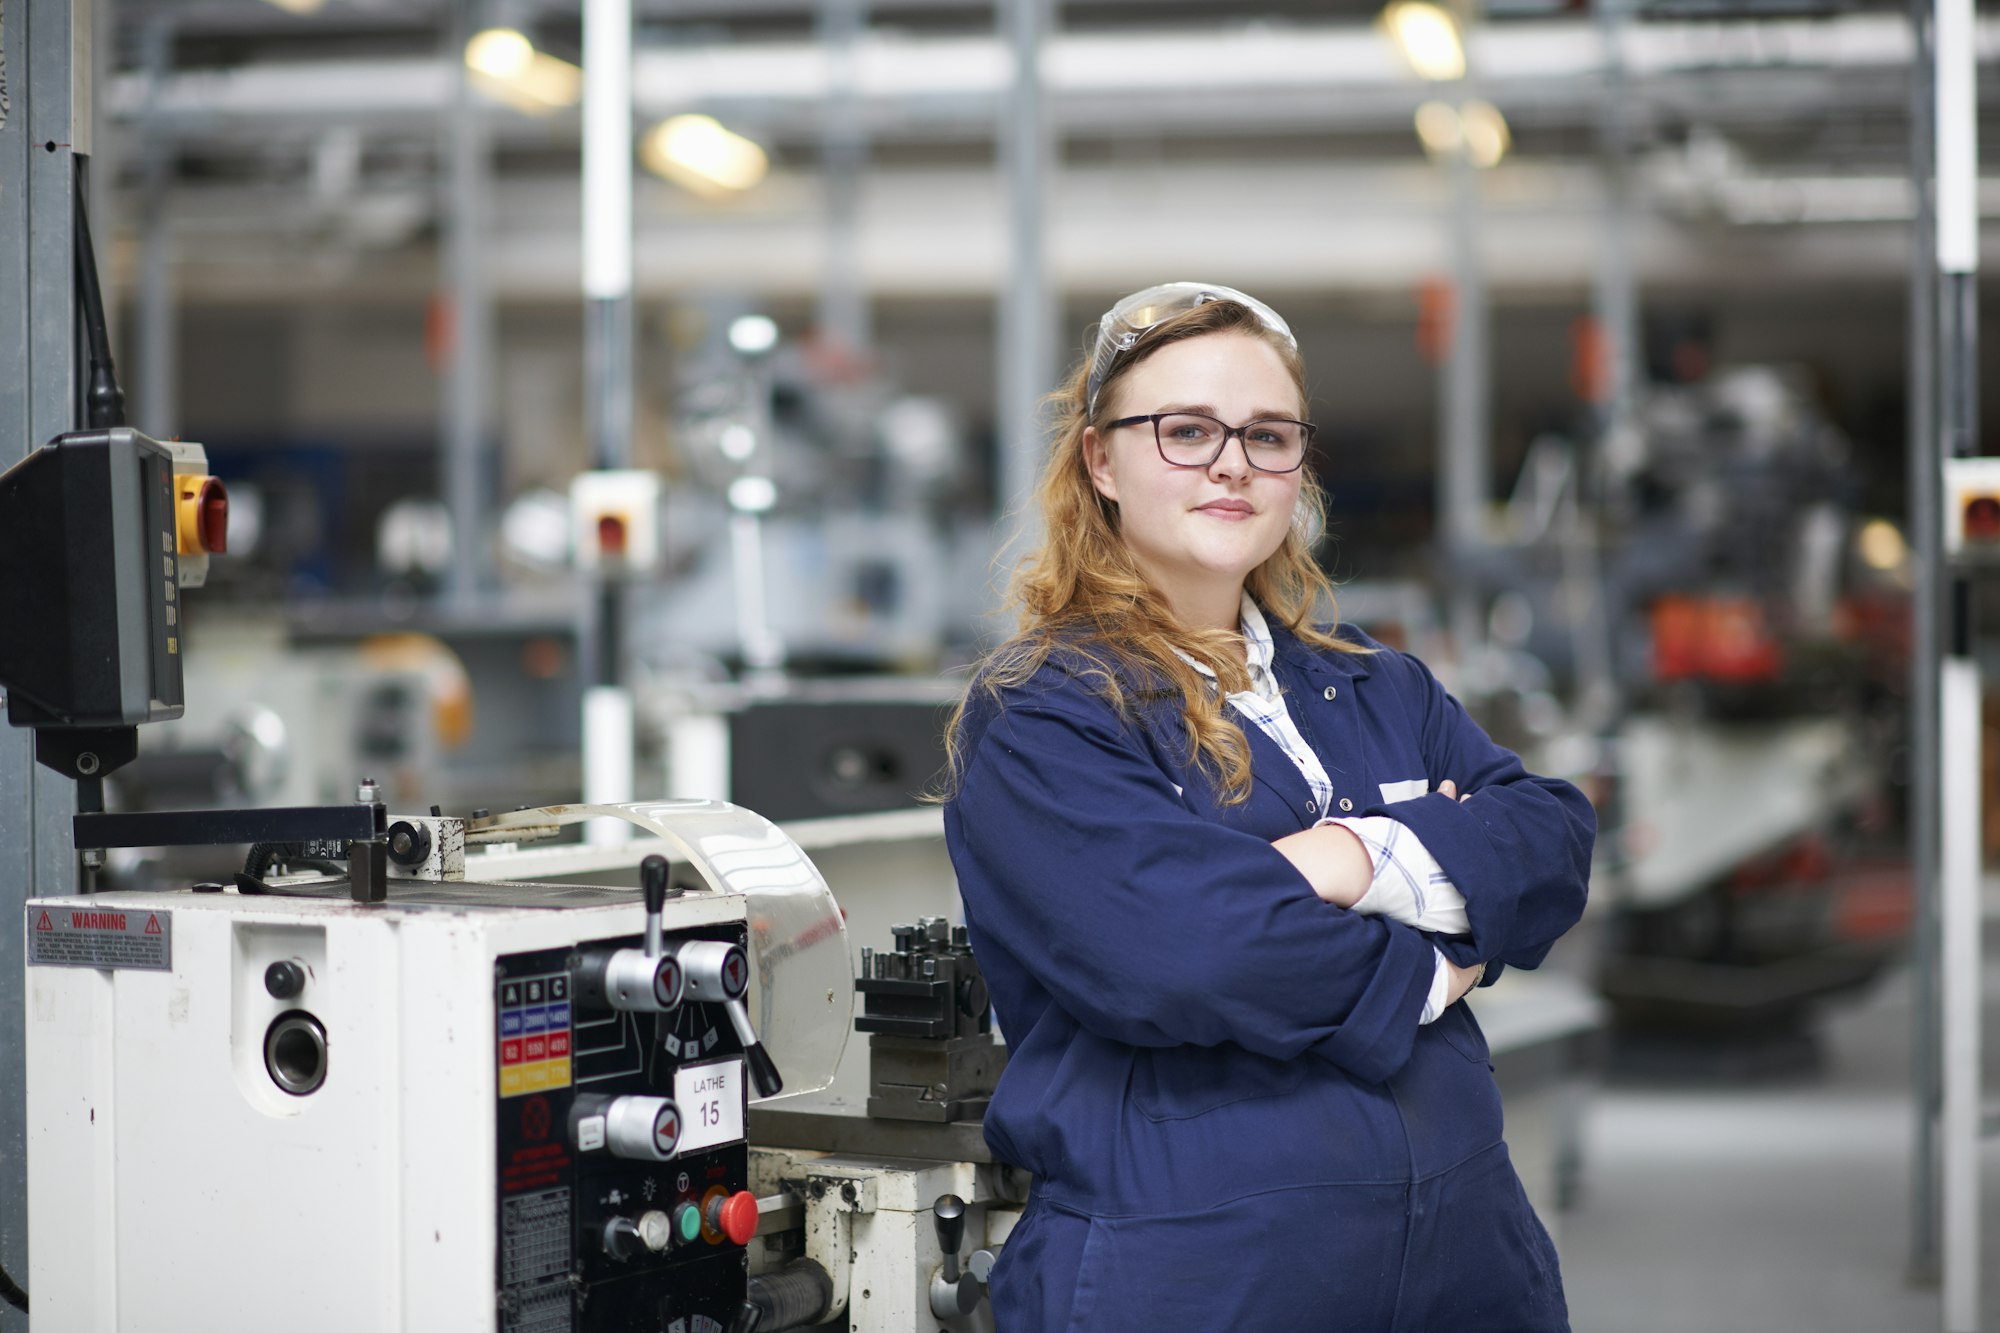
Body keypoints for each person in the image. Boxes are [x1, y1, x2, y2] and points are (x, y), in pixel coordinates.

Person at [941, 282, 1594, 1330]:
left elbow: (1552, 841)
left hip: (1466, 1258)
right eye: (1185, 431)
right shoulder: (1043, 712)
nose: (1231, 463)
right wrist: (1432, 959)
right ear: (1100, 461)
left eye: (1266, 434)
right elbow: (1184, 952)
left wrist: (1345, 854)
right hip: (1196, 1271)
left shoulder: (1380, 685)